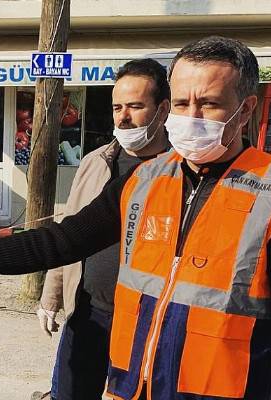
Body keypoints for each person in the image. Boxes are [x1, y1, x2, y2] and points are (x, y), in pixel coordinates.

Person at [0, 36, 271, 400]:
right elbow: (59, 242)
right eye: (183, 103)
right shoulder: (145, 180)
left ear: (245, 110)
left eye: (208, 104)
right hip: (131, 388)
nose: (191, 116)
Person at [36, 58, 171, 400]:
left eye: (136, 106)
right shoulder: (96, 162)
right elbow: (68, 229)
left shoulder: (182, 170)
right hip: (88, 313)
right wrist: (51, 296)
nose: (123, 116)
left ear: (163, 109)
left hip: (149, 324)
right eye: (117, 107)